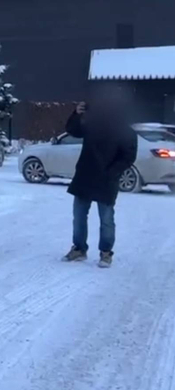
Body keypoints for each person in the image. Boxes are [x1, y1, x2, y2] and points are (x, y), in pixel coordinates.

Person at [61, 98, 137, 268]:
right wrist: (76, 114)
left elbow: (128, 157)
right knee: (79, 216)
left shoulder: (125, 132)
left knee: (106, 219)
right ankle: (79, 249)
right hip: (85, 177)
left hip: (107, 181)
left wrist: (111, 172)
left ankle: (106, 252)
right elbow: (73, 130)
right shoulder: (92, 125)